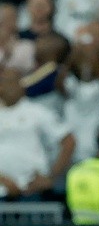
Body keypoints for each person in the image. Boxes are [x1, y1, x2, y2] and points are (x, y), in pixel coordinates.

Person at [0, 67, 75, 201]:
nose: (6, 87)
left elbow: (68, 141)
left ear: (21, 84)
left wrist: (50, 178)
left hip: (32, 189)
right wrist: (3, 180)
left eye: (11, 82)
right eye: (3, 82)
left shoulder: (37, 112)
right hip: (2, 190)